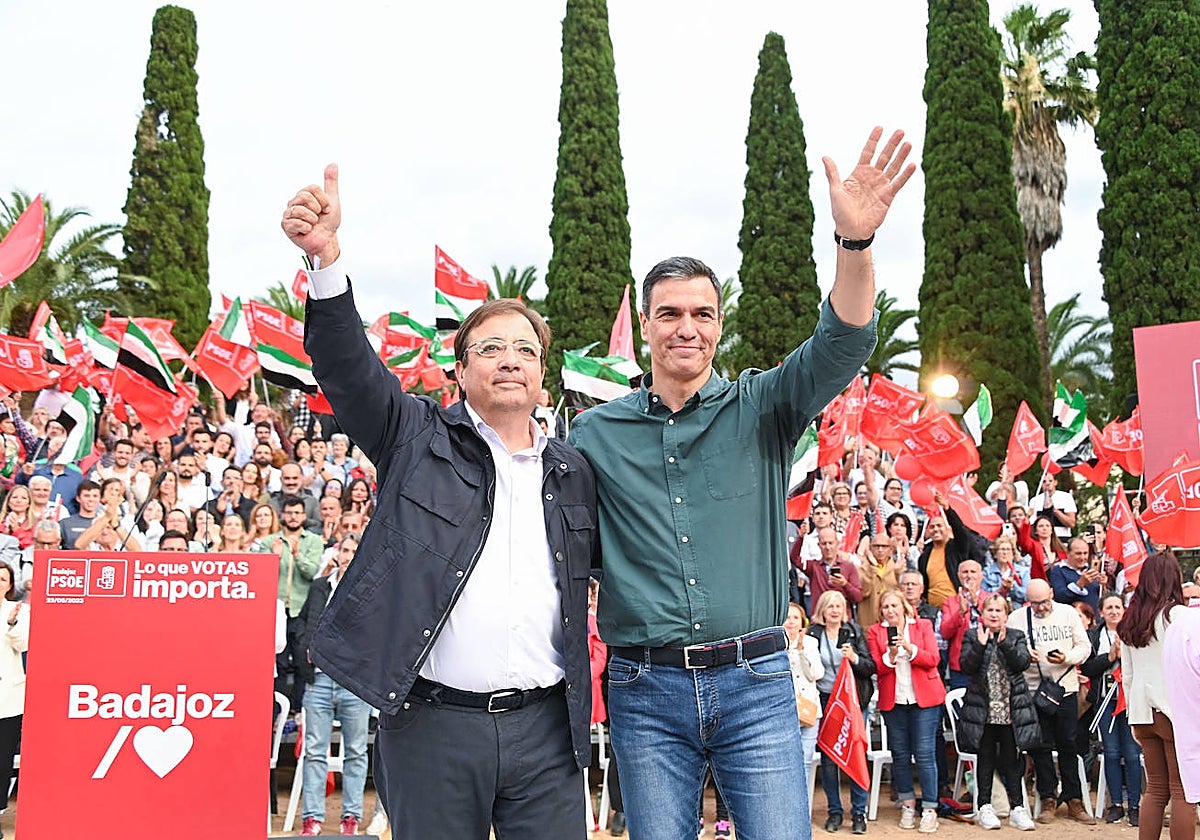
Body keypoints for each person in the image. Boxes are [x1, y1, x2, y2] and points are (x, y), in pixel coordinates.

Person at [282, 167, 599, 840]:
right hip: (431, 728)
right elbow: (346, 367)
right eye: (490, 348)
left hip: (547, 735)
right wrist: (326, 262)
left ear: (544, 374)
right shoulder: (416, 436)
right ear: (459, 370)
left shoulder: (573, 470)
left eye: (525, 349)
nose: (509, 360)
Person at [297, 534, 372, 836]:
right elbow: (303, 622)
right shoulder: (319, 587)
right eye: (345, 550)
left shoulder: (369, 587)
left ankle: (350, 817)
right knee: (314, 750)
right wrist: (305, 647)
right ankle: (312, 817)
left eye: (354, 551)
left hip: (353, 679)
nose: (348, 555)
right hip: (319, 677)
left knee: (356, 750)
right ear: (337, 554)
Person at [1118, 551, 1195, 840]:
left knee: (1156, 790)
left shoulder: (1130, 619)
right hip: (1175, 711)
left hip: (1142, 711)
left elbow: (1127, 674)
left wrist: (1132, 716)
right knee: (1183, 791)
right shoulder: (1180, 616)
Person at [1007, 578, 1095, 824]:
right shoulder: (1016, 618)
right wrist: (1025, 656)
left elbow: (1085, 647)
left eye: (1044, 602)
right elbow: (1008, 651)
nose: (1041, 608)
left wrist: (1066, 657)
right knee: (1040, 746)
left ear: (1052, 595)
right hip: (1034, 690)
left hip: (1065, 688)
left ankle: (1074, 799)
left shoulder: (1068, 613)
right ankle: (1048, 797)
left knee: (1069, 744)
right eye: (1035, 604)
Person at [957, 594, 1038, 831]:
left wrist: (1004, 644)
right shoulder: (973, 635)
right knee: (985, 759)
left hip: (1010, 708)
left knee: (1011, 760)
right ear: (982, 614)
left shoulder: (1016, 636)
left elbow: (1022, 663)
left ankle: (1017, 808)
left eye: (998, 611)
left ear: (1006, 614)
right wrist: (981, 646)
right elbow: (966, 666)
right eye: (989, 610)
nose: (993, 614)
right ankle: (985, 806)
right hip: (983, 710)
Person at [867, 589, 945, 833]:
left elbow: (933, 659)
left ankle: (930, 808)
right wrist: (890, 654)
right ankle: (908, 804)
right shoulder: (875, 632)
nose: (890, 611)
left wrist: (909, 648)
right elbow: (877, 667)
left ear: (903, 606)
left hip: (925, 700)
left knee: (924, 753)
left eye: (894, 605)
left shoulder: (922, 626)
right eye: (885, 607)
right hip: (895, 701)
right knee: (900, 755)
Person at [808, 590, 876, 834]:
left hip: (852, 701)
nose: (835, 610)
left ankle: (859, 812)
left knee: (855, 753)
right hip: (825, 701)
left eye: (839, 605)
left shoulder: (855, 632)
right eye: (830, 606)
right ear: (822, 610)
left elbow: (870, 667)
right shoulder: (813, 634)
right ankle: (834, 811)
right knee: (829, 759)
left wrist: (855, 658)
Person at [1081, 592, 1141, 825]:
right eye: (1109, 607)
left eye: (1118, 607)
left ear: (1124, 610)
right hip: (1105, 701)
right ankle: (1116, 804)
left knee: (1132, 754)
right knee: (1112, 753)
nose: (1114, 611)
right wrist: (1109, 657)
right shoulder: (1093, 635)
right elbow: (1087, 667)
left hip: (1130, 701)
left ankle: (1134, 805)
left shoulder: (1135, 632)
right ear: (1101, 611)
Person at [785, 601, 824, 800]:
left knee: (805, 761)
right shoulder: (775, 645)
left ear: (802, 622)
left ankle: (804, 808)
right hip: (784, 711)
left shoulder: (811, 643)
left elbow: (817, 673)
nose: (791, 622)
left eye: (795, 618)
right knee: (785, 762)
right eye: (788, 617)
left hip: (809, 709)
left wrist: (801, 651)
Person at [917, 491, 976, 609]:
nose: (936, 529)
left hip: (956, 607)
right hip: (932, 609)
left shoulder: (956, 548)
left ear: (948, 529)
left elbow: (961, 530)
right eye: (932, 527)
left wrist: (947, 509)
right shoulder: (924, 555)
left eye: (939, 526)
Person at [939, 559, 991, 689]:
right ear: (958, 576)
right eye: (965, 572)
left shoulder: (991, 599)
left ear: (981, 576)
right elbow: (945, 632)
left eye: (973, 572)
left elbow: (995, 626)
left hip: (988, 662)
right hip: (960, 665)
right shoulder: (950, 602)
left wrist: (977, 605)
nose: (969, 575)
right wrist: (960, 612)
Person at [0, 562, 26, 818]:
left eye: (2, 579)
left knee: (2, 762)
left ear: (9, 585)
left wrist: (12, 623)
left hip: (8, 700)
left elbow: (24, 643)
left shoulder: (19, 610)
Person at [858, 533, 901, 627]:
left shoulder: (897, 569)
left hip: (893, 623)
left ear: (890, 549)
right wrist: (871, 568)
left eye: (884, 546)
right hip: (869, 622)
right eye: (876, 546)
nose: (880, 550)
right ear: (870, 548)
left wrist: (898, 572)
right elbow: (863, 592)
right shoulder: (861, 569)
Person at [1050, 537, 1103, 611]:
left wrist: (1103, 585)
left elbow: (1100, 597)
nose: (1082, 557)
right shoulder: (1058, 570)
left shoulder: (1091, 570)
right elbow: (1060, 597)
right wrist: (1080, 584)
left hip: (1094, 619)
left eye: (1085, 553)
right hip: (1071, 619)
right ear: (1068, 553)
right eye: (1078, 553)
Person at [981, 535, 1030, 610]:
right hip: (994, 610)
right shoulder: (986, 572)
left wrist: (1013, 587)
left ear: (1013, 554)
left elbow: (1027, 596)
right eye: (1002, 549)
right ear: (995, 554)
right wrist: (1000, 590)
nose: (1005, 553)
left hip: (1017, 610)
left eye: (1008, 550)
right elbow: (982, 596)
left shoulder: (1023, 571)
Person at [1028, 474, 1076, 542]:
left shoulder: (1066, 497)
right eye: (1044, 481)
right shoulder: (1034, 501)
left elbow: (1071, 523)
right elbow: (1032, 524)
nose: (1047, 483)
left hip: (1062, 537)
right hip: (1042, 539)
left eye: (1050, 481)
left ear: (1055, 482)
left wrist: (1055, 511)